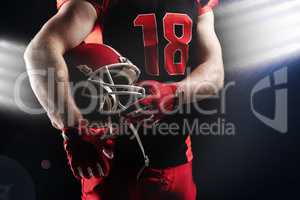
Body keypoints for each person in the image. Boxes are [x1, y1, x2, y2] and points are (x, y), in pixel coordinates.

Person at [24, 0, 224, 199]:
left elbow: (215, 72)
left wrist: (174, 92)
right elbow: (41, 50)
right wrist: (73, 126)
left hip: (176, 158)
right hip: (113, 165)